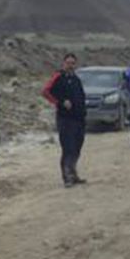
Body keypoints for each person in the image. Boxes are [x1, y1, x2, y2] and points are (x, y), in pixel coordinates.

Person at [42, 53, 88, 186]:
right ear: (63, 63)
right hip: (65, 119)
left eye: (73, 63)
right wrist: (60, 102)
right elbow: (45, 91)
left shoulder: (76, 79)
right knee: (68, 147)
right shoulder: (58, 77)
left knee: (77, 147)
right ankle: (67, 177)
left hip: (79, 119)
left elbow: (81, 97)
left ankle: (74, 174)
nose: (70, 65)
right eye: (68, 63)